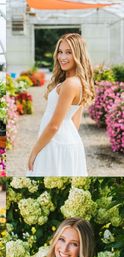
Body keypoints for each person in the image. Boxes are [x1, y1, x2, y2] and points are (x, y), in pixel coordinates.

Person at [27, 33, 95, 176]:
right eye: (60, 52)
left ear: (78, 54)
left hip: (55, 142)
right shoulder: (77, 82)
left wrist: (34, 151)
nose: (62, 57)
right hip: (65, 141)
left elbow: (54, 125)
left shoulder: (70, 84)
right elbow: (75, 121)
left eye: (69, 52)